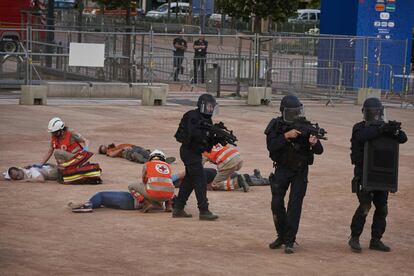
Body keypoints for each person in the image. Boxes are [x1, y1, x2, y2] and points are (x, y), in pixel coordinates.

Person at [264, 95, 324, 254]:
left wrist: (314, 143)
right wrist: (286, 136)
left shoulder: (305, 126)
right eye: (292, 112)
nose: (296, 114)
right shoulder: (276, 125)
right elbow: (271, 146)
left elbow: (320, 150)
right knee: (276, 203)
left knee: (294, 206)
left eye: (297, 111)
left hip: (300, 171)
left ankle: (289, 240)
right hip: (282, 169)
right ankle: (281, 235)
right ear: (284, 112)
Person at [348, 98, 407, 253]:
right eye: (372, 112)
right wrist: (382, 129)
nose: (375, 115)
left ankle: (376, 239)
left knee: (382, 208)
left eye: (377, 112)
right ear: (365, 113)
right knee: (365, 206)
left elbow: (403, 138)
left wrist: (394, 129)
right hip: (364, 174)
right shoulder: (359, 128)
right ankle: (354, 237)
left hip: (382, 174)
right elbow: (363, 136)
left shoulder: (384, 127)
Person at [69, 168, 218, 213]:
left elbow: (143, 181)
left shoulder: (169, 182)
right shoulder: (171, 193)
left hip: (134, 200)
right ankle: (87, 204)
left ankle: (87, 205)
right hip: (153, 201)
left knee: (101, 196)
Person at [173, 93, 219, 220]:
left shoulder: (208, 120)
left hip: (196, 153)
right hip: (188, 152)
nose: (210, 110)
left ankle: (178, 207)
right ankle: (204, 210)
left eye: (212, 107)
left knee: (189, 180)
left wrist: (215, 138)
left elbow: (206, 145)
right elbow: (192, 134)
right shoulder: (192, 115)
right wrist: (206, 133)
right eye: (208, 107)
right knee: (200, 180)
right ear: (202, 106)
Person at [98, 143, 175, 164]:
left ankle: (162, 159)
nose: (104, 146)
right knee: (135, 155)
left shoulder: (113, 146)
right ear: (103, 152)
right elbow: (112, 155)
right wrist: (122, 149)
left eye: (103, 146)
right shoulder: (109, 152)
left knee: (147, 153)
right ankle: (146, 161)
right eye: (102, 148)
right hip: (127, 151)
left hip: (135, 147)